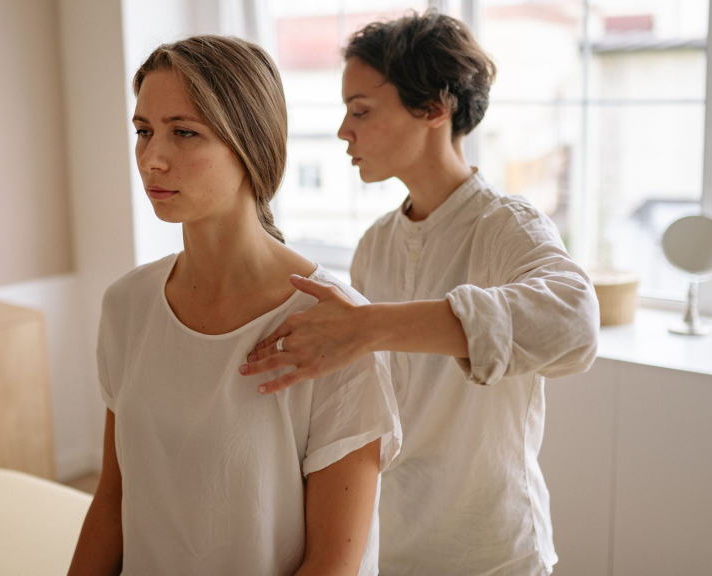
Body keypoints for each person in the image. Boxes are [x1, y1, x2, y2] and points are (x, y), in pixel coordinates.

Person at [239, 10, 600, 576]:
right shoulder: (375, 244)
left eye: (361, 110)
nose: (343, 130)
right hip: (391, 542)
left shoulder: (507, 226)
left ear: (434, 108)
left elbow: (575, 323)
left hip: (492, 553)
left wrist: (369, 325)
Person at [67, 35, 402, 576]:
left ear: (250, 143)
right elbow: (113, 501)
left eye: (184, 133)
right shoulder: (126, 306)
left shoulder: (335, 328)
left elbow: (332, 564)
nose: (151, 159)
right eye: (144, 131)